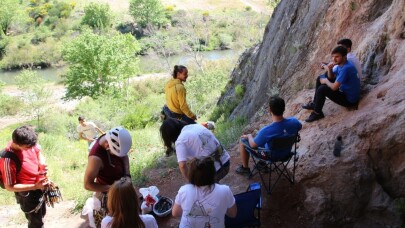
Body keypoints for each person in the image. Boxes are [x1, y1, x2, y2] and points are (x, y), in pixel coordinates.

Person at [236, 96, 302, 175]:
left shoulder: (266, 131)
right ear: (284, 109)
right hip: (286, 154)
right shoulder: (294, 122)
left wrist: (249, 136)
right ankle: (261, 164)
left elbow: (253, 145)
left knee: (243, 141)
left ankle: (245, 168)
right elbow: (299, 126)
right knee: (268, 140)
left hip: (270, 156)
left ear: (270, 110)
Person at [0, 125, 49, 228]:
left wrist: (41, 163)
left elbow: (37, 151)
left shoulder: (27, 141)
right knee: (36, 222)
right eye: (28, 147)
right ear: (17, 144)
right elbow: (9, 186)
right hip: (27, 193)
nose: (31, 148)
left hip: (39, 185)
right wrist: (35, 186)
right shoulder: (8, 160)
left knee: (42, 213)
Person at [83, 126, 132, 226]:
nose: (119, 157)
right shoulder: (95, 159)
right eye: (115, 154)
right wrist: (112, 188)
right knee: (116, 220)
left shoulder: (115, 138)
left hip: (121, 184)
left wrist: (127, 174)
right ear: (107, 146)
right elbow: (87, 184)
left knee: (129, 212)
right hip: (108, 192)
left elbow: (124, 156)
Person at [172, 157, 237, 228]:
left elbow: (175, 213)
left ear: (191, 175)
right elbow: (233, 214)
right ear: (213, 173)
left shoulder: (184, 190)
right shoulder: (225, 190)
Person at [160, 118, 230, 182]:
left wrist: (191, 182)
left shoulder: (180, 141)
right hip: (226, 161)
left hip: (215, 172)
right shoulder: (195, 126)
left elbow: (182, 166)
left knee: (199, 184)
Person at [302, 38, 362, 111]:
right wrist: (328, 69)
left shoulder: (346, 64)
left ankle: (317, 111)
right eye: (333, 57)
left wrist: (325, 76)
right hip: (350, 88)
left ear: (347, 51)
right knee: (323, 78)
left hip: (350, 98)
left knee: (322, 87)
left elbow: (334, 87)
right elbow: (332, 71)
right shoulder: (347, 59)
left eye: (342, 48)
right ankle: (315, 105)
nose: (339, 49)